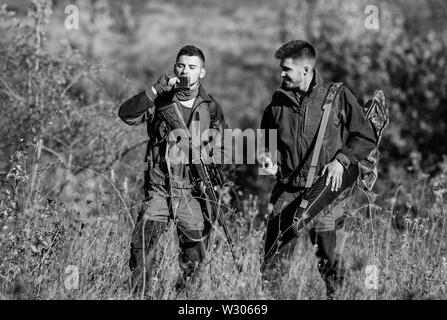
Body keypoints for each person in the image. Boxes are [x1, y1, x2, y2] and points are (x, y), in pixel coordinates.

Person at [259, 40, 376, 299]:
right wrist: (268, 158)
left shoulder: (337, 95)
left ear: (306, 70)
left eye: (286, 69)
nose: (281, 74)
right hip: (287, 190)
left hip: (326, 192)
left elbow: (365, 137)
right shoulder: (277, 103)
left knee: (330, 263)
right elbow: (266, 141)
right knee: (273, 262)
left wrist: (342, 160)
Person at [118, 45, 228, 296]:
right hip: (159, 189)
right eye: (181, 65)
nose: (185, 71)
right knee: (142, 251)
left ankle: (183, 299)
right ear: (174, 68)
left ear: (202, 72)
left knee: (194, 258)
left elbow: (222, 147)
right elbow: (126, 114)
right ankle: (141, 295)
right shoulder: (159, 100)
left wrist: (209, 171)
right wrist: (154, 89)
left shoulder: (211, 107)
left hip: (191, 192)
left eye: (192, 67)